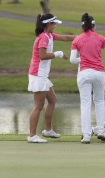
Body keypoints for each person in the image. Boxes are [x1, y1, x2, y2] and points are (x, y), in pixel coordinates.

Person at [70, 13, 105, 144]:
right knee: (99, 101)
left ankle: (87, 135)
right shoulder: (100, 38)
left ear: (82, 26)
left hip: (84, 74)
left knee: (85, 104)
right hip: (99, 73)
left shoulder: (77, 40)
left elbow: (72, 60)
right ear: (93, 25)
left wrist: (82, 58)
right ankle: (100, 131)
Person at [27, 14, 76, 143]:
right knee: (38, 106)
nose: (55, 26)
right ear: (48, 24)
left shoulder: (49, 35)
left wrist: (81, 38)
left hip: (42, 75)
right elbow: (42, 56)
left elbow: (64, 37)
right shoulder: (43, 37)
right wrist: (58, 54)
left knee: (53, 100)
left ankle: (48, 130)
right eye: (54, 24)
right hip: (38, 75)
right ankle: (32, 136)